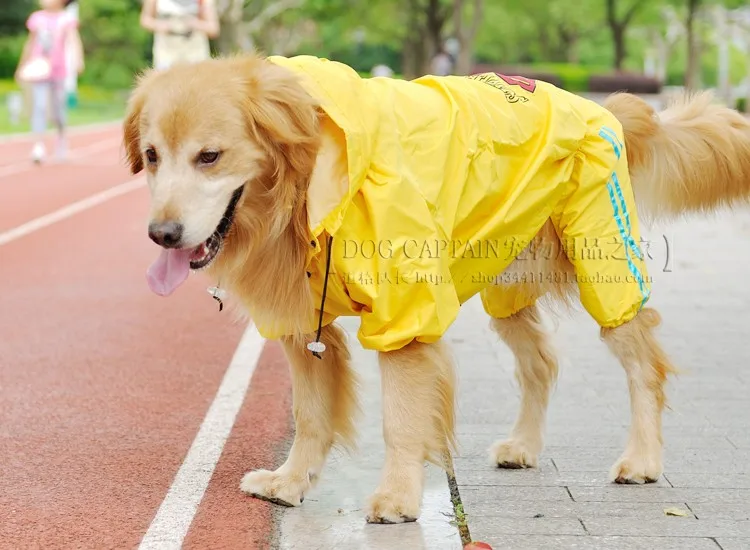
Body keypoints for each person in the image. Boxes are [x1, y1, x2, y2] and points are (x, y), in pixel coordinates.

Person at [15, 0, 84, 163]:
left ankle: (61, 138)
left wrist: (78, 59)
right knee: (39, 106)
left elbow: (74, 40)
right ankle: (38, 144)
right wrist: (22, 65)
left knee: (58, 110)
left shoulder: (66, 19)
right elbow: (30, 43)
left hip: (58, 71)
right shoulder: (36, 18)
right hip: (38, 69)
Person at [139, 0, 220, 71]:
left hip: (195, 52)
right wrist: (160, 25)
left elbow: (213, 29)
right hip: (166, 52)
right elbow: (145, 20)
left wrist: (196, 24)